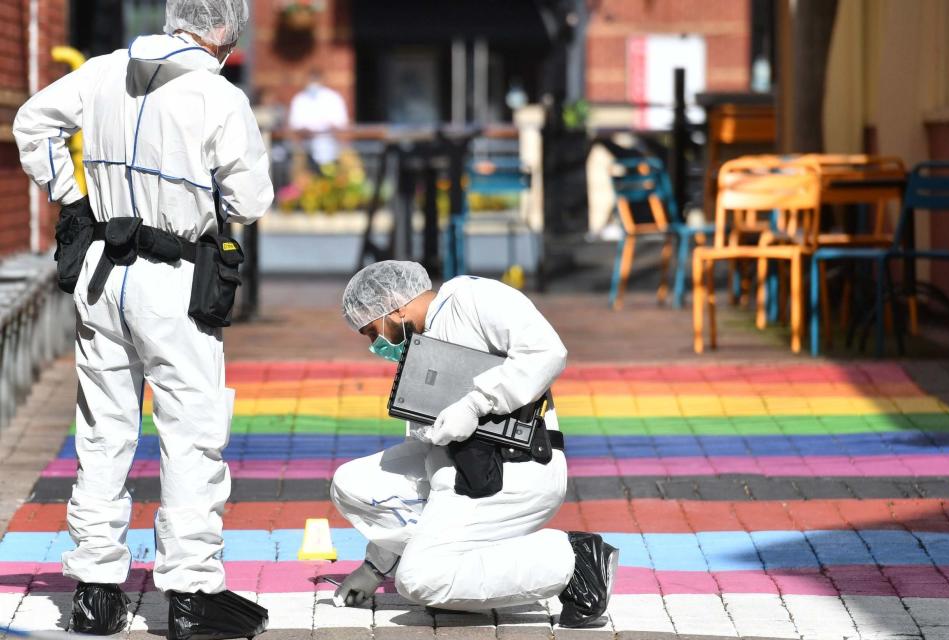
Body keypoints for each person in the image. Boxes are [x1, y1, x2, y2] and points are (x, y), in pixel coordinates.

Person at [13, 0, 272, 637]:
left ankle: (96, 590)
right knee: (191, 431)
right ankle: (189, 593)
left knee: (103, 429)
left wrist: (71, 197)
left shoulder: (102, 70)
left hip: (102, 267)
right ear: (223, 37)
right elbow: (250, 199)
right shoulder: (217, 95)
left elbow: (30, 122)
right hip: (175, 276)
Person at [334, 261, 618, 627]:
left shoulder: (471, 298)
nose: (375, 345)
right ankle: (458, 571)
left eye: (373, 331)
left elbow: (546, 351)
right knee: (351, 484)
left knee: (419, 581)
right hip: (457, 471)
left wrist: (476, 402)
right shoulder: (421, 351)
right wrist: (375, 567)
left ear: (396, 305)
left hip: (516, 469)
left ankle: (575, 562)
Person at [288, 68, 349, 170]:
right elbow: (295, 125)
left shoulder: (333, 98)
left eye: (315, 79)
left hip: (332, 150)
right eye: (311, 80)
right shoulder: (300, 99)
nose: (313, 84)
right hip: (307, 151)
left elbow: (341, 124)